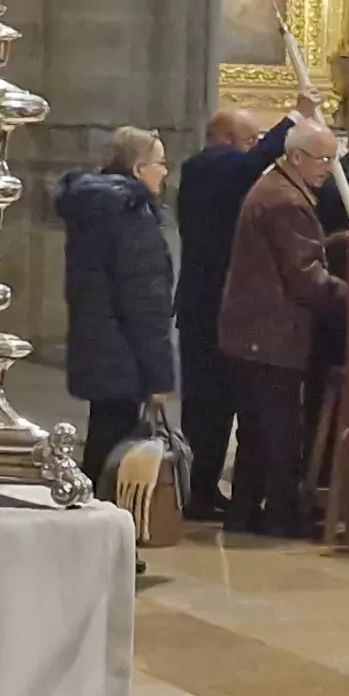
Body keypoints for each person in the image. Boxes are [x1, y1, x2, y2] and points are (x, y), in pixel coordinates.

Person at [215, 120, 348, 535]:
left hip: (251, 333)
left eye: (334, 158)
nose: (329, 168)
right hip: (271, 333)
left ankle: (243, 513)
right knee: (279, 433)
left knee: (255, 430)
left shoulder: (275, 187)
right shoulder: (285, 201)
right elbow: (306, 275)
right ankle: (281, 517)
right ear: (296, 157)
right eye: (323, 159)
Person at [55, 128, 177, 478]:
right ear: (139, 169)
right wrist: (159, 376)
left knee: (103, 439)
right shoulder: (131, 215)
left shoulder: (95, 208)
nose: (165, 172)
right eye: (161, 163)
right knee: (112, 452)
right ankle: (106, 522)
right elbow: (145, 302)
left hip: (99, 343)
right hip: (125, 351)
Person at [171, 107, 264, 520]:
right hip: (206, 307)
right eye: (248, 140)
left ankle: (205, 488)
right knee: (205, 405)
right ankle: (195, 492)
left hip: (218, 307)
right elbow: (247, 165)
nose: (253, 150)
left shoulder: (221, 169)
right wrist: (294, 119)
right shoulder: (206, 167)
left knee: (220, 402)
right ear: (224, 138)